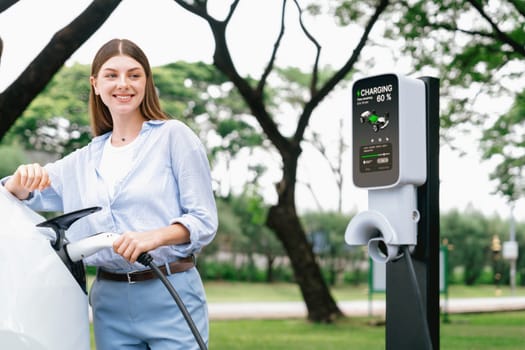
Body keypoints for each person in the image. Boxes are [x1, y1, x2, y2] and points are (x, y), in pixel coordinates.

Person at [2, 38, 218, 349]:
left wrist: (154, 237)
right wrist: (21, 180)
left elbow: (203, 219)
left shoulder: (174, 137)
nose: (123, 84)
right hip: (109, 301)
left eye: (134, 75)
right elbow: (17, 193)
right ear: (95, 84)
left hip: (170, 290)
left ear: (146, 82)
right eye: (111, 75)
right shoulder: (83, 160)